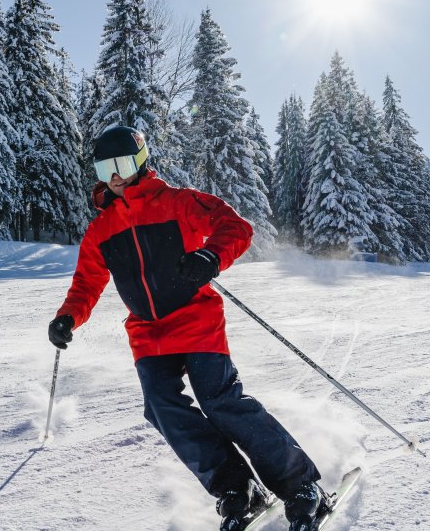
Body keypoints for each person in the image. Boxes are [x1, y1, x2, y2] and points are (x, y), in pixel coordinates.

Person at [47, 126, 324, 531]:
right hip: (147, 332)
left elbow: (236, 227)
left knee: (219, 401)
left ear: (140, 162)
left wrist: (210, 256)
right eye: (105, 167)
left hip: (195, 319)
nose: (115, 176)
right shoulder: (101, 228)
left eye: (122, 164)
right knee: (162, 408)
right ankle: (235, 488)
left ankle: (300, 486)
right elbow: (87, 283)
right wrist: (68, 317)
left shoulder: (177, 202)